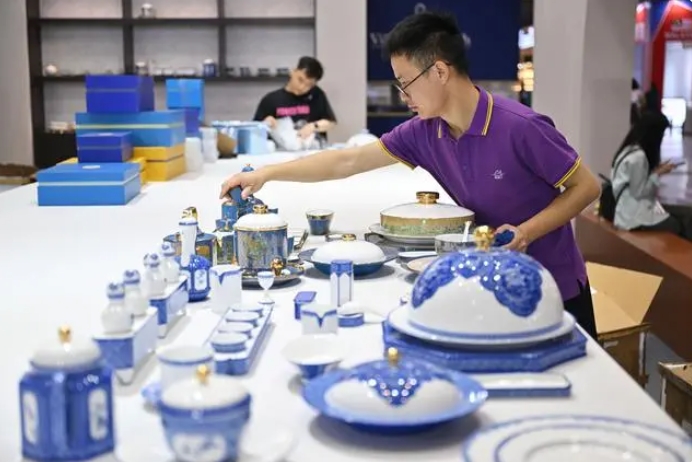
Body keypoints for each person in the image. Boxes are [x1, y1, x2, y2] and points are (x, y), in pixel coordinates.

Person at [222, 12, 602, 339]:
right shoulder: (425, 131)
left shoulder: (520, 126)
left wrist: (526, 232)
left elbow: (586, 187)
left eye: (404, 81)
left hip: (553, 288)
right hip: (490, 283)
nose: (402, 95)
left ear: (439, 71)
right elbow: (347, 161)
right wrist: (268, 174)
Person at [611, 110, 692, 239]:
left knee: (686, 214)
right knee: (678, 224)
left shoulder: (629, 150)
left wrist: (655, 170)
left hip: (629, 210)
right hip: (634, 217)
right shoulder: (638, 157)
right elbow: (639, 192)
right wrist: (658, 173)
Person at [253, 56, 337, 145]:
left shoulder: (317, 95)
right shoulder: (271, 99)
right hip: (281, 151)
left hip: (311, 149)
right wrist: (265, 124)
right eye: (300, 80)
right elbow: (255, 129)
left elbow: (331, 122)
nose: (302, 87)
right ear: (293, 72)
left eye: (309, 85)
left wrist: (313, 126)